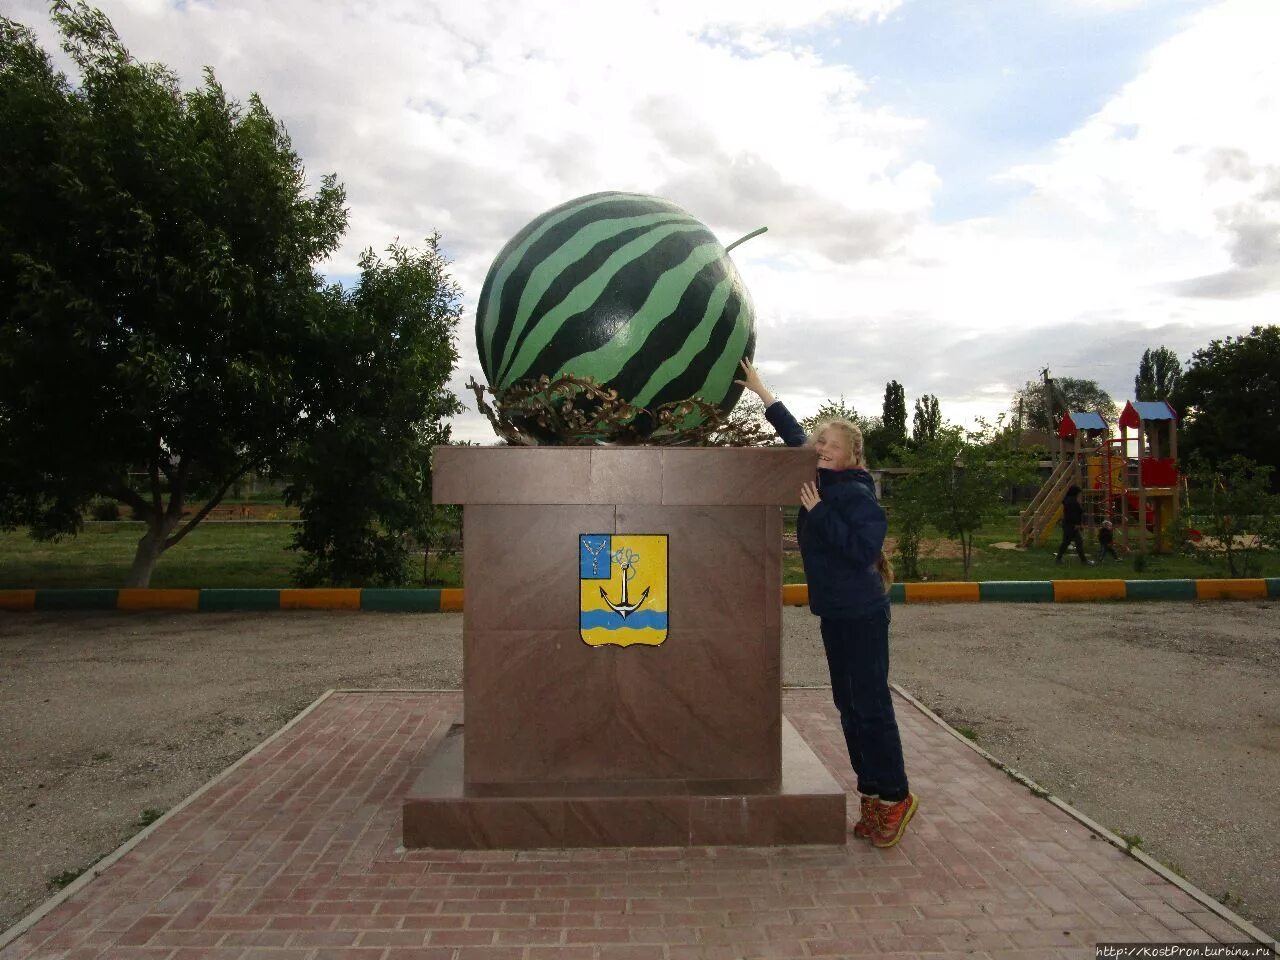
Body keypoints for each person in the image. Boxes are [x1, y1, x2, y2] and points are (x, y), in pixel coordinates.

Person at [735, 360, 917, 849]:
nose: (822, 450)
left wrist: (819, 513)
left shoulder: (856, 491)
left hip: (861, 612)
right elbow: (796, 436)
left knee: (871, 706)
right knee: (848, 705)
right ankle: (872, 793)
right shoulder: (822, 476)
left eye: (831, 446)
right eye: (821, 444)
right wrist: (762, 392)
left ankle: (896, 796)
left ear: (851, 455)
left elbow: (862, 550)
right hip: (835, 612)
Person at [1055, 485, 1092, 565]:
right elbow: (1072, 514)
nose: (1079, 495)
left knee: (1068, 542)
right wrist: (1077, 524)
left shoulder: (1069, 500)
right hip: (1071, 525)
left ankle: (1059, 559)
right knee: (1077, 542)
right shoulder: (1071, 501)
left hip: (1069, 524)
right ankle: (1084, 561)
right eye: (1078, 493)